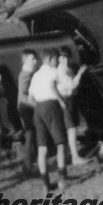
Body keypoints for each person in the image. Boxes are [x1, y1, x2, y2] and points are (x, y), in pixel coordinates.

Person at [29, 48, 68, 191]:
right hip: (51, 106)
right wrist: (61, 101)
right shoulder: (52, 72)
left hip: (38, 108)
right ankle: (63, 179)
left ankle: (45, 183)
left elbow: (30, 98)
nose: (57, 62)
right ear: (51, 59)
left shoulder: (36, 75)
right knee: (61, 143)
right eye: (56, 59)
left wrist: (41, 108)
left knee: (42, 148)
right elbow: (52, 86)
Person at [56, 46, 88, 165]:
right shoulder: (61, 71)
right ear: (59, 58)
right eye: (62, 57)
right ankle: (75, 157)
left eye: (66, 57)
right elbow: (72, 86)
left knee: (71, 128)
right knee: (71, 128)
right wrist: (80, 73)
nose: (65, 60)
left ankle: (71, 155)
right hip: (65, 99)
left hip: (69, 99)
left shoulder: (67, 69)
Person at [16, 49, 39, 174]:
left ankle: (30, 162)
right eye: (32, 59)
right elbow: (24, 94)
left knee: (32, 134)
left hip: (27, 107)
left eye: (36, 58)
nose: (35, 61)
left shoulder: (29, 73)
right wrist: (36, 105)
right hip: (26, 108)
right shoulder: (26, 74)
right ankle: (28, 164)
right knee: (30, 134)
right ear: (24, 60)